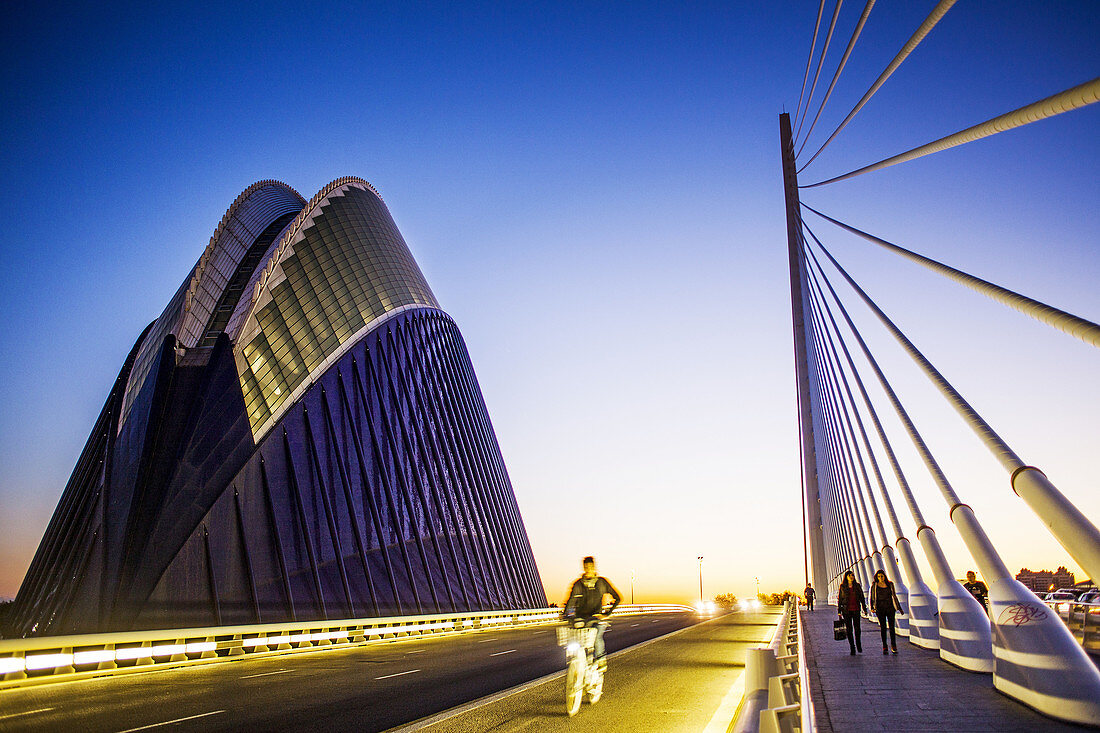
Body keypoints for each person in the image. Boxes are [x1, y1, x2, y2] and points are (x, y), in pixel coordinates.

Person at [564, 556, 622, 670]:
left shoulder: (602, 583)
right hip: (581, 619)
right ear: (584, 567)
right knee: (575, 640)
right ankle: (577, 664)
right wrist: (568, 615)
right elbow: (571, 602)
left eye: (590, 567)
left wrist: (606, 614)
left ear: (593, 567)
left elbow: (618, 598)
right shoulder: (578, 584)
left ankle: (601, 660)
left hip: (595, 618)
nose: (588, 569)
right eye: (586, 567)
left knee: (596, 636)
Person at [869, 569, 904, 654]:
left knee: (892, 627)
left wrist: (899, 608)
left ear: (884, 576)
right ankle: (885, 646)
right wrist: (872, 607)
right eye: (879, 576)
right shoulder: (875, 585)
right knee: (883, 628)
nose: (881, 578)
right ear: (877, 577)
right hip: (880, 609)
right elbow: (872, 597)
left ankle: (893, 645)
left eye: (882, 576)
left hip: (890, 608)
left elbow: (894, 596)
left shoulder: (890, 584)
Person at [837, 570, 867, 655]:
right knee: (849, 630)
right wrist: (839, 611)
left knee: (857, 629)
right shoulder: (843, 586)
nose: (851, 577)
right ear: (846, 577)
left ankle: (858, 644)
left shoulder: (857, 586)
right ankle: (852, 647)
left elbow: (861, 597)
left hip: (856, 609)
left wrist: (864, 608)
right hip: (846, 611)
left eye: (852, 575)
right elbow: (840, 599)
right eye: (850, 575)